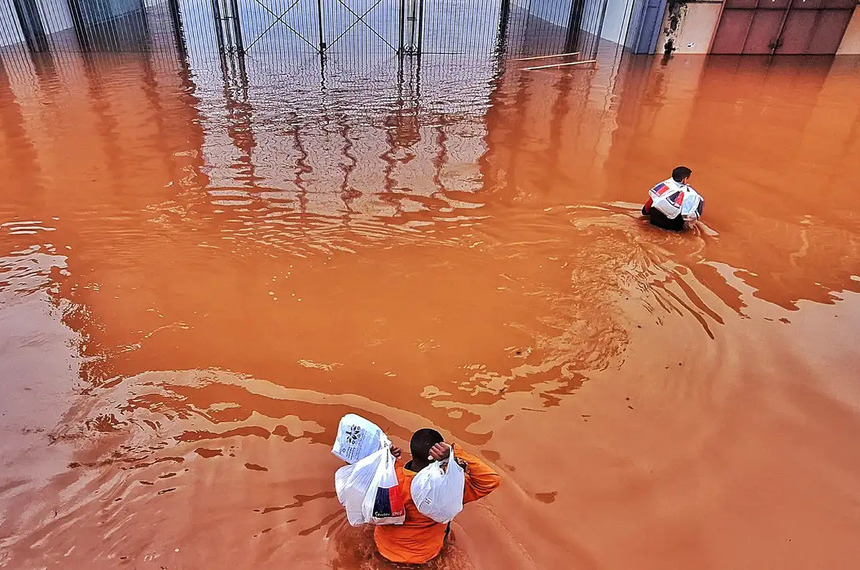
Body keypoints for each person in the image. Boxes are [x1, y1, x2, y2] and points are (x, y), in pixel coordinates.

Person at [374, 428, 501, 564]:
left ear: (412, 451)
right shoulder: (447, 489)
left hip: (384, 549)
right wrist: (454, 453)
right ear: (437, 456)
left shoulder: (387, 476)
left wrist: (385, 458)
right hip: (425, 556)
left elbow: (358, 474)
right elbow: (491, 480)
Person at [642, 166, 704, 231]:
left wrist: (645, 212)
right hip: (672, 226)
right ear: (684, 179)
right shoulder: (691, 194)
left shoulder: (663, 184)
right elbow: (690, 216)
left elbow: (650, 201)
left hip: (653, 220)